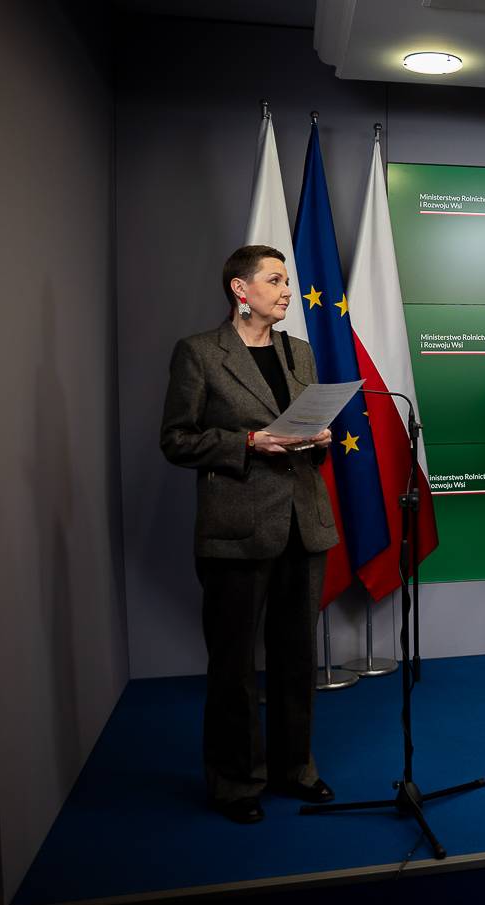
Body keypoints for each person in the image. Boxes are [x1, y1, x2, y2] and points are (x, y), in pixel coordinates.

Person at [160, 245, 338, 824]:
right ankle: (236, 783)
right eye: (276, 280)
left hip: (303, 523)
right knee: (234, 665)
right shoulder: (199, 353)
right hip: (236, 529)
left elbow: (307, 433)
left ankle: (296, 768)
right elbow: (176, 440)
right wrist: (248, 443)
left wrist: (319, 440)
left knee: (297, 657)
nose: (288, 291)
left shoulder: (299, 352)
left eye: (288, 281)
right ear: (241, 289)